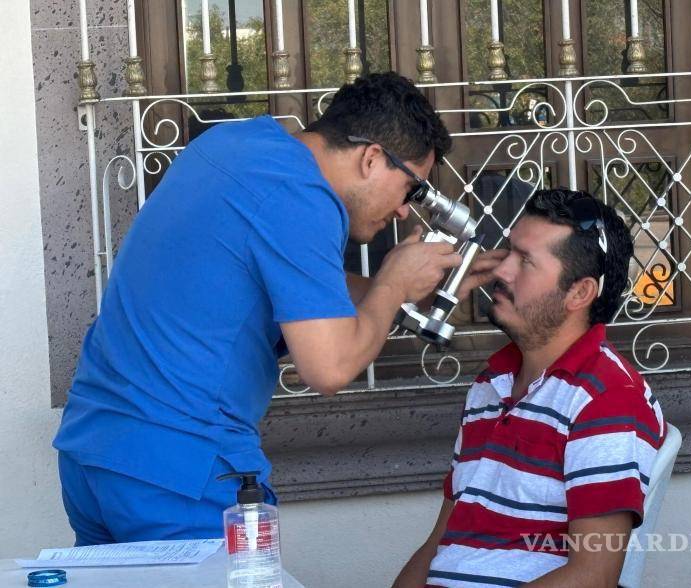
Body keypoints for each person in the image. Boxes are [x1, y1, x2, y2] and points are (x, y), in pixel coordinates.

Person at [53, 72, 505, 545]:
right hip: (179, 468)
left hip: (95, 452)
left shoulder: (233, 144)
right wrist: (391, 285)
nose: (404, 212)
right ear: (372, 158)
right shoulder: (303, 197)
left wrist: (403, 290)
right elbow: (328, 369)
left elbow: (294, 283)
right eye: (412, 189)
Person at [394, 189, 667, 588]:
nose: (502, 271)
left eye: (525, 261)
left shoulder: (606, 397)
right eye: (508, 252)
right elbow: (442, 540)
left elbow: (594, 575)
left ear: (579, 293)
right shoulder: (491, 385)